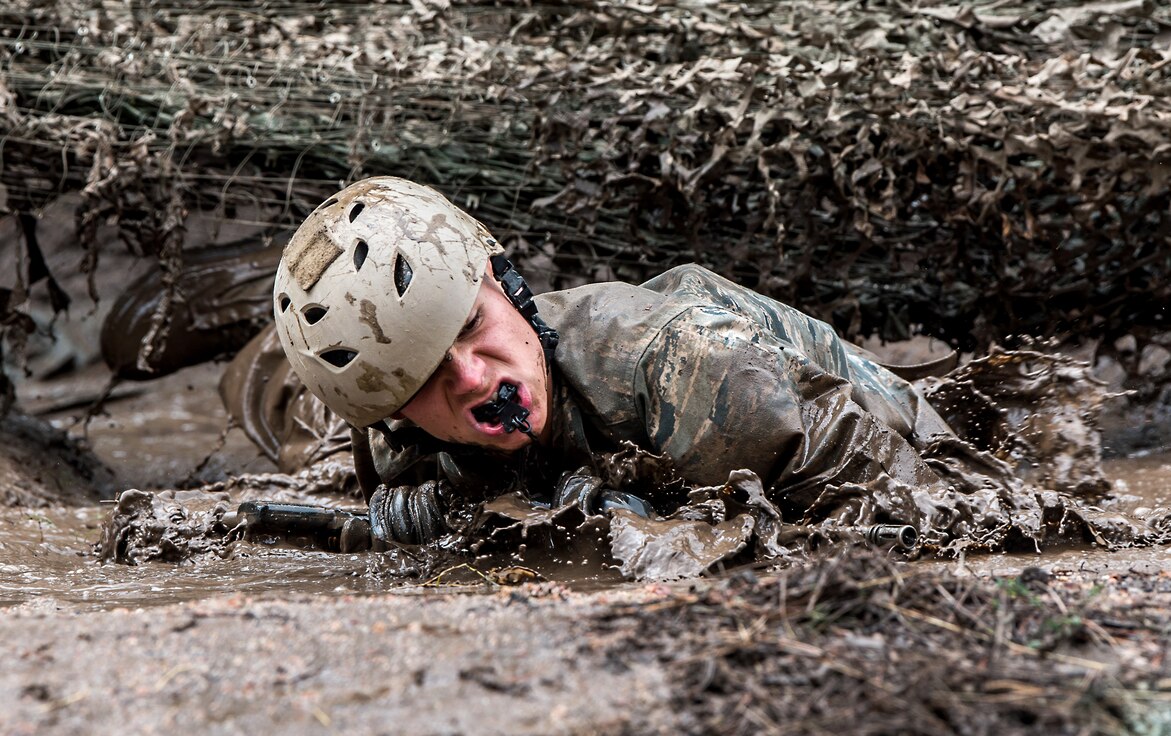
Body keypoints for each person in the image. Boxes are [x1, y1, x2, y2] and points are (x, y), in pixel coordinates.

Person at [264, 176, 971, 546]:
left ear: (505, 283)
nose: (475, 378)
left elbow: (939, 515)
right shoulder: (392, 429)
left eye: (474, 325)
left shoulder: (690, 372)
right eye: (424, 381)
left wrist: (666, 525)